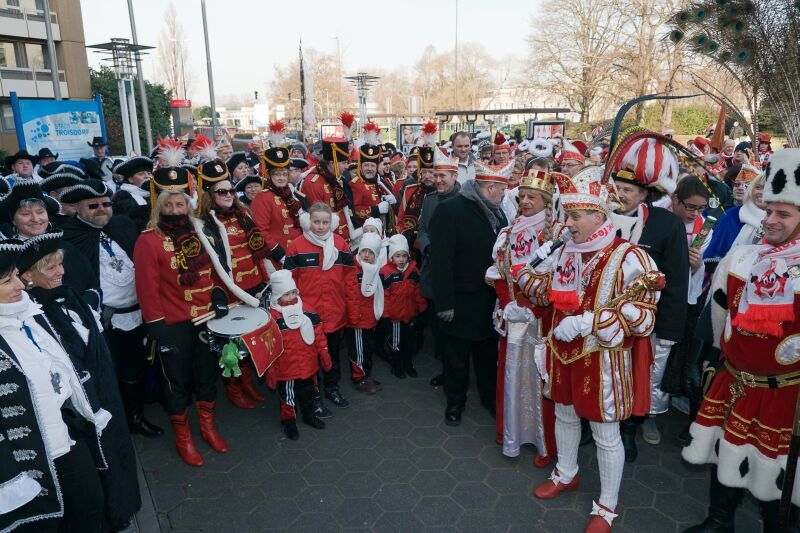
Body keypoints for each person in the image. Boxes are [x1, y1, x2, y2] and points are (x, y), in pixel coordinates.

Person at [516, 166, 660, 532]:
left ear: (599, 217)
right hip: (562, 352)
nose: (568, 224)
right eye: (566, 215)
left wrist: (588, 322)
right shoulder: (564, 250)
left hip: (604, 359)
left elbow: (644, 319)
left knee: (604, 433)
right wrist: (528, 273)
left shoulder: (631, 257)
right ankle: (567, 472)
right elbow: (544, 294)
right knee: (564, 414)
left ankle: (607, 507)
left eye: (576, 216)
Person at [682, 148, 800, 532]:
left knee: (780, 474)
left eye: (783, 214)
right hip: (734, 382)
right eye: (769, 211)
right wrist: (710, 361)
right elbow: (717, 316)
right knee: (724, 454)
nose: (770, 220)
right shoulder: (743, 258)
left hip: (787, 395)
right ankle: (719, 521)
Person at [19, 230, 142, 530]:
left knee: (118, 452)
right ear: (28, 277)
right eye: (51, 268)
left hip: (104, 390)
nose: (61, 271)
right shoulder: (32, 316)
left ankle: (124, 507)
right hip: (79, 408)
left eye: (60, 265)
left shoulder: (68, 292)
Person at [0, 239, 109, 532]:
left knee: (90, 504)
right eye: (7, 280)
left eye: (15, 276)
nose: (19, 285)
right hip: (28, 452)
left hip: (64, 430)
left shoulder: (29, 314)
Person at [133, 166, 230, 467]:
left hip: (205, 319)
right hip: (173, 325)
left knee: (206, 375)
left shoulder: (199, 231)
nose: (175, 209)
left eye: (180, 204)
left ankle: (208, 427)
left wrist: (218, 295)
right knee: (176, 384)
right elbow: (147, 290)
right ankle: (184, 438)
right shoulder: (148, 241)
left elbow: (214, 271)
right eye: (169, 204)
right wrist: (157, 329)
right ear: (158, 207)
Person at [60, 179, 164, 438]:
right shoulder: (70, 239)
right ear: (77, 208)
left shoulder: (122, 225)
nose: (101, 209)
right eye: (92, 205)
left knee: (136, 368)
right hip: (104, 320)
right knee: (110, 373)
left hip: (139, 310)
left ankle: (136, 416)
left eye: (106, 203)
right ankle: (119, 423)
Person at [607, 135, 690, 459]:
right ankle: (596, 424)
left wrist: (668, 332)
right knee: (602, 376)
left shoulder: (667, 225)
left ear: (645, 194)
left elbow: (676, 281)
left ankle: (629, 430)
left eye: (628, 190)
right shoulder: (600, 217)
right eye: (617, 186)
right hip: (600, 318)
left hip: (643, 323)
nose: (620, 194)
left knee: (635, 379)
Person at [486, 167, 564, 463]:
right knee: (511, 376)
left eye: (532, 196)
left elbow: (560, 280)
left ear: (546, 200)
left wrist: (533, 308)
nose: (525, 201)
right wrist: (509, 305)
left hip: (542, 323)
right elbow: (497, 274)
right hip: (515, 320)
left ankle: (545, 444)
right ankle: (512, 434)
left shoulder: (557, 235)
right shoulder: (507, 233)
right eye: (522, 196)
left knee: (540, 380)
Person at [430, 162, 509, 426]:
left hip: (487, 300)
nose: (504, 195)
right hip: (460, 301)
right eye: (501, 190)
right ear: (489, 188)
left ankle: (490, 400)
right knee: (456, 359)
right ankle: (455, 402)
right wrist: (444, 303)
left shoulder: (498, 214)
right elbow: (440, 261)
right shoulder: (450, 210)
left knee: (487, 356)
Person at [195, 155, 271, 409]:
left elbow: (257, 249)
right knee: (231, 345)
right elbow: (208, 265)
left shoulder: (243, 213)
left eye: (230, 189)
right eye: (221, 191)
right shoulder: (204, 224)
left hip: (254, 284)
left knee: (250, 338)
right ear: (210, 194)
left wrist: (265, 278)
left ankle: (247, 381)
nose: (228, 194)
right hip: (229, 290)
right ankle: (233, 387)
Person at [284, 203, 354, 416]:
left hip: (334, 313)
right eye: (316, 222)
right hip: (307, 316)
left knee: (332, 354)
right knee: (309, 358)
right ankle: (313, 397)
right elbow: (289, 282)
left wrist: (351, 310)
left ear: (331, 223)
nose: (321, 226)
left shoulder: (341, 244)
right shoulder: (296, 245)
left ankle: (332, 388)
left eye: (325, 222)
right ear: (308, 222)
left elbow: (350, 279)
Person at [0, 179, 100, 295]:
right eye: (26, 214)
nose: (36, 219)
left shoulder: (67, 248)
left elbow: (91, 285)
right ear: (13, 220)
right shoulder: (8, 255)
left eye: (40, 212)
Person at [265, 270, 330, 440]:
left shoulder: (307, 310)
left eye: (293, 292)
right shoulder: (271, 318)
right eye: (286, 294)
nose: (291, 297)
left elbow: (318, 332)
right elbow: (268, 347)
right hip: (286, 369)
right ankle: (289, 422)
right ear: (277, 297)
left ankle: (309, 415)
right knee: (288, 398)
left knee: (309, 392)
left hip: (309, 365)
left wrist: (323, 351)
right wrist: (271, 369)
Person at [417, 149, 463, 386]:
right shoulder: (430, 199)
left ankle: (452, 372)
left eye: (443, 175)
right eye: (436, 175)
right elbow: (422, 229)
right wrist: (427, 248)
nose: (438, 180)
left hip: (454, 273)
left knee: (451, 328)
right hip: (431, 268)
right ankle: (445, 365)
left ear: (454, 176)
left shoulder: (464, 199)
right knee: (436, 323)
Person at [251, 144, 307, 266]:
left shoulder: (290, 194)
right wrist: (280, 254)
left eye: (284, 174)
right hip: (276, 258)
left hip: (297, 252)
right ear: (269, 175)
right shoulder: (262, 197)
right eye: (277, 174)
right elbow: (261, 231)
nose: (281, 178)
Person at [381, 234, 427, 378]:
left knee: (409, 341)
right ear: (391, 257)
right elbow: (384, 297)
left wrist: (422, 309)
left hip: (410, 314)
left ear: (408, 256)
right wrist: (386, 316)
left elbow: (419, 292)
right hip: (395, 317)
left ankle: (407, 363)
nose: (401, 259)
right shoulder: (386, 273)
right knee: (395, 342)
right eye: (397, 256)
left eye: (403, 256)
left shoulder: (413, 271)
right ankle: (396, 365)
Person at [703, 171, 766, 273]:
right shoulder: (733, 215)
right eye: (758, 187)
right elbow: (714, 252)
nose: (761, 192)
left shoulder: (780, 221)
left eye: (767, 188)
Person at [345, 232, 385, 393]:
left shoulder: (375, 269)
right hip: (357, 320)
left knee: (367, 348)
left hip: (369, 318)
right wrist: (354, 317)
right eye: (364, 251)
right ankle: (359, 378)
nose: (367, 255)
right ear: (359, 251)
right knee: (358, 351)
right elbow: (351, 295)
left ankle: (366, 375)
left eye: (371, 253)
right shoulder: (353, 270)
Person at [300, 136, 354, 241]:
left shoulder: (336, 178)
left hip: (342, 238)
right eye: (343, 163)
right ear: (332, 164)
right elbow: (317, 221)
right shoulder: (313, 183)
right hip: (328, 240)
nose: (346, 167)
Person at [349, 142, 396, 236]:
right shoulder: (355, 184)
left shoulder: (378, 182)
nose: (369, 169)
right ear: (360, 167)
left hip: (382, 231)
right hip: (366, 232)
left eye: (372, 165)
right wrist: (376, 209)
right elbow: (354, 211)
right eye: (366, 165)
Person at [396, 147, 435, 249]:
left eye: (431, 172)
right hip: (411, 244)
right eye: (424, 172)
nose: (427, 176)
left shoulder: (442, 193)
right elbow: (400, 220)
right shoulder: (410, 191)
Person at [112, 156, 154, 233]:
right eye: (141, 174)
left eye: (149, 173)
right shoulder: (123, 196)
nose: (147, 176)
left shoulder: (153, 194)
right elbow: (135, 218)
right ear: (130, 179)